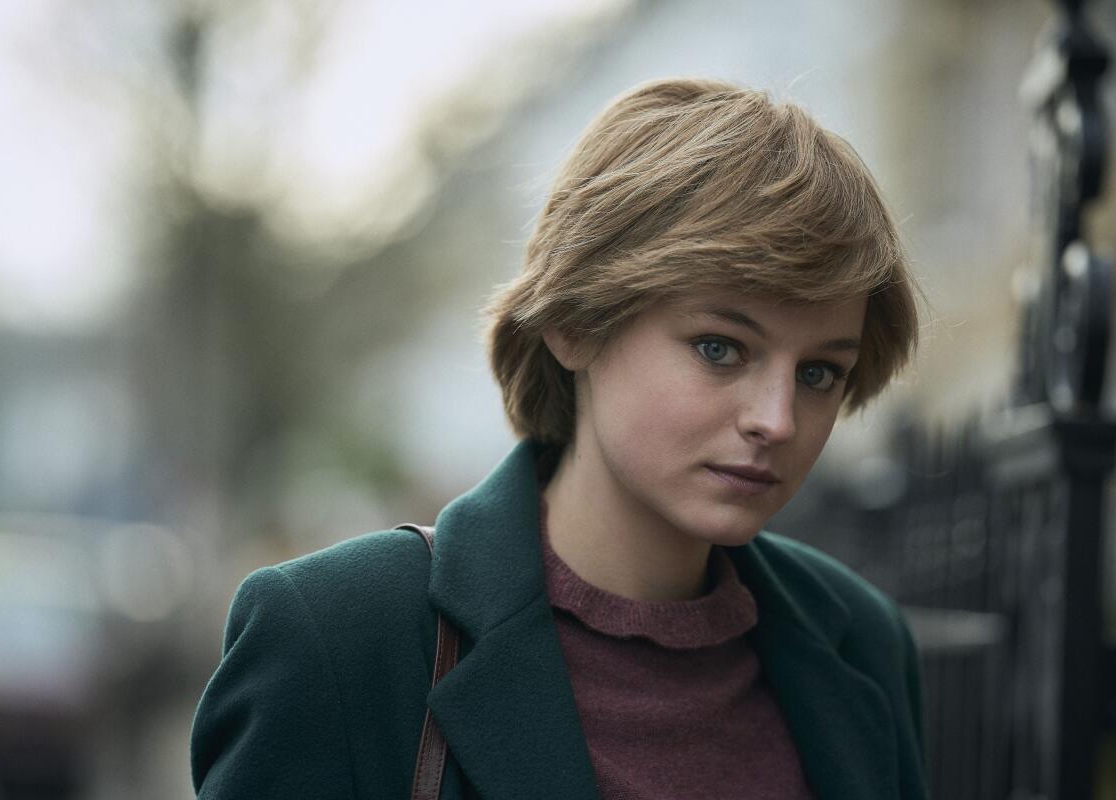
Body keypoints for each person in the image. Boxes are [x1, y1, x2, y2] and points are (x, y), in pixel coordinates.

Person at [191, 77, 928, 800]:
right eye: (720, 348)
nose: (778, 419)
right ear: (575, 324)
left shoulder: (862, 641)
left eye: (822, 372)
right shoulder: (339, 635)